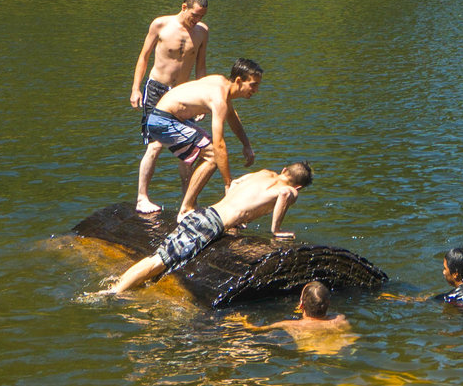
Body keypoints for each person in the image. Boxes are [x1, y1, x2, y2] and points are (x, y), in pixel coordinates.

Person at [104, 161, 313, 295]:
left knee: (159, 258)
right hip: (211, 225)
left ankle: (119, 284)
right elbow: (285, 195)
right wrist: (275, 230)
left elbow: (236, 183)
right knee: (159, 262)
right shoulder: (289, 190)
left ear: (284, 169)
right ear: (299, 187)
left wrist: (237, 213)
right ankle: (113, 293)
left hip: (205, 214)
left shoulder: (264, 173)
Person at [129, 0, 211, 215]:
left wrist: (202, 99)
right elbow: (144, 56)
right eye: (194, 15)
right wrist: (136, 89)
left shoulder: (202, 32)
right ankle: (142, 198)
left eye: (201, 16)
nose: (197, 20)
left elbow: (200, 67)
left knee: (190, 149)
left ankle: (188, 202)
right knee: (154, 146)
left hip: (183, 94)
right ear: (184, 7)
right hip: (157, 89)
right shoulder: (161, 24)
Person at [157, 60, 264, 215]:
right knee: (213, 155)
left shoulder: (220, 82)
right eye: (253, 85)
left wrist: (246, 144)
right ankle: (186, 208)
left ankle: (189, 204)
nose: (256, 90)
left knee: (203, 150)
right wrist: (228, 184)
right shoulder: (220, 99)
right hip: (163, 121)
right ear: (239, 81)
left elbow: (232, 117)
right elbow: (219, 144)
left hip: (171, 119)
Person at [253, 280, 355, 344]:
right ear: (328, 303)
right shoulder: (339, 319)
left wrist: (241, 320)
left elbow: (256, 330)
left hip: (312, 357)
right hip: (338, 352)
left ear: (301, 305)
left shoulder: (290, 324)